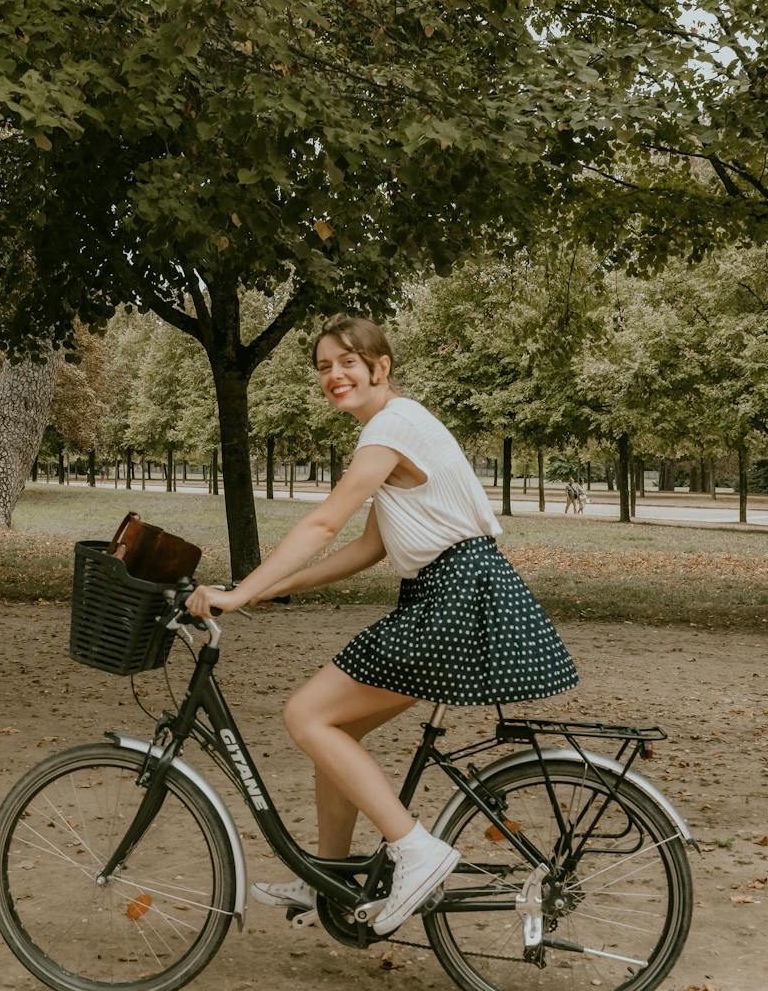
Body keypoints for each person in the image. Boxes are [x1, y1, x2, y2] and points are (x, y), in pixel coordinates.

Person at [186, 315, 578, 935]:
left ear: (381, 366)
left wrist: (243, 590)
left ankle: (417, 850)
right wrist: (274, 588)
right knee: (332, 730)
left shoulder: (392, 427)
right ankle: (331, 879)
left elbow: (323, 525)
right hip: (450, 593)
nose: (334, 376)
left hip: (455, 596)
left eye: (346, 362)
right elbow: (369, 546)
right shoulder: (393, 429)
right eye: (323, 367)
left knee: (306, 715)